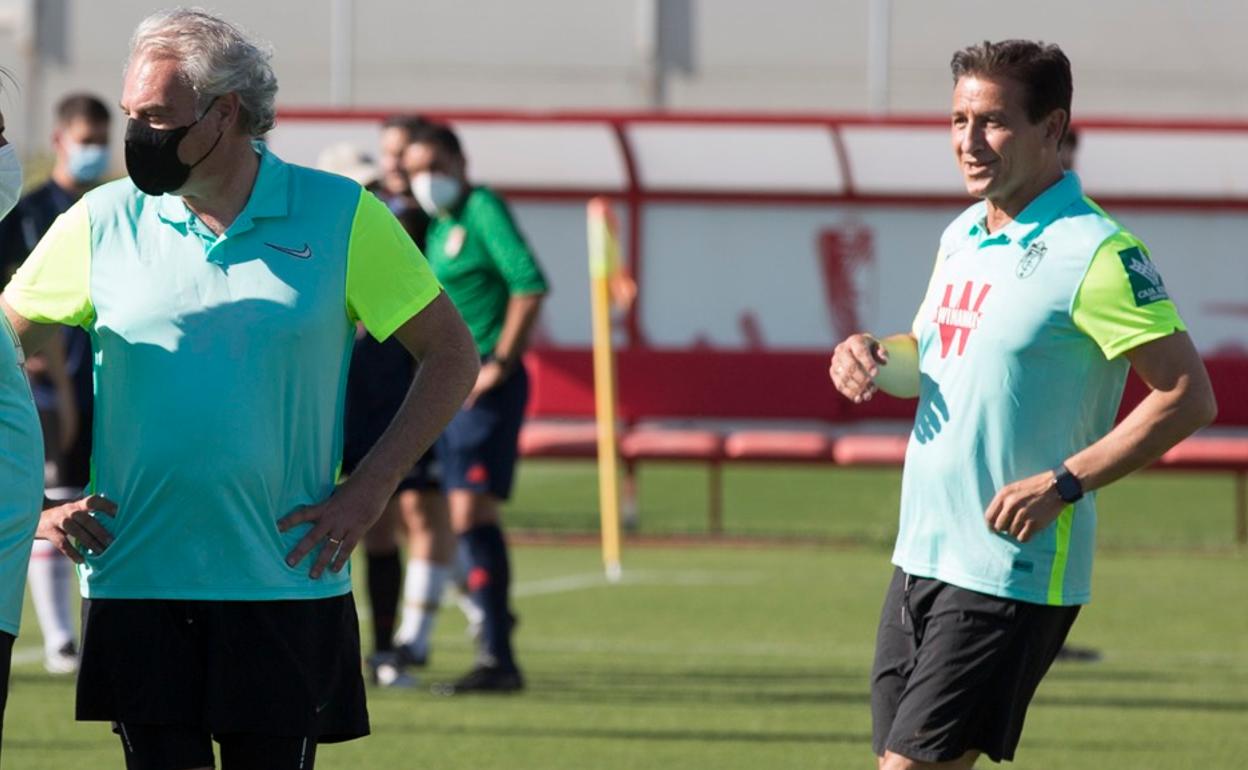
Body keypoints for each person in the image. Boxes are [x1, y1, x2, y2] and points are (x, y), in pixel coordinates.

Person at [0, 9, 478, 770]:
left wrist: (372, 486)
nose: (136, 136)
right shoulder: (99, 220)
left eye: (156, 116)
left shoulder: (344, 213)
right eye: (130, 116)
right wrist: (34, 508)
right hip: (136, 581)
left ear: (225, 114)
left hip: (285, 583)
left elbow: (452, 354)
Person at [828, 40, 1216, 770]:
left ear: (1051, 127)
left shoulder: (1097, 252)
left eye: (993, 122)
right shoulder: (963, 234)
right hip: (919, 556)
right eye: (957, 120)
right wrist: (874, 355)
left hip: (1009, 568)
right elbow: (927, 357)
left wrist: (1064, 482)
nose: (969, 142)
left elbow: (1188, 395)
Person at [402, 122, 548, 694]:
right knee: (450, 516)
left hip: (482, 386)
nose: (426, 180)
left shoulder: (483, 207)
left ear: (461, 163)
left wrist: (500, 363)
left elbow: (528, 284)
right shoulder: (439, 226)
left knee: (470, 516)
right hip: (449, 388)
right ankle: (491, 633)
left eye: (436, 165)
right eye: (416, 170)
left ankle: (499, 658)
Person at [318, 137, 455, 689]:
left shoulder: (395, 236)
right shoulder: (309, 244)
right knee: (336, 530)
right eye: (362, 186)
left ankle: (386, 650)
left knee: (388, 523)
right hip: (330, 404)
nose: (374, 196)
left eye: (376, 185)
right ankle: (344, 650)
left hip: (385, 395)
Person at [0, 92, 112, 675]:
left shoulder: (118, 210)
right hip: (48, 389)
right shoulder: (31, 211)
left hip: (98, 388)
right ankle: (62, 639)